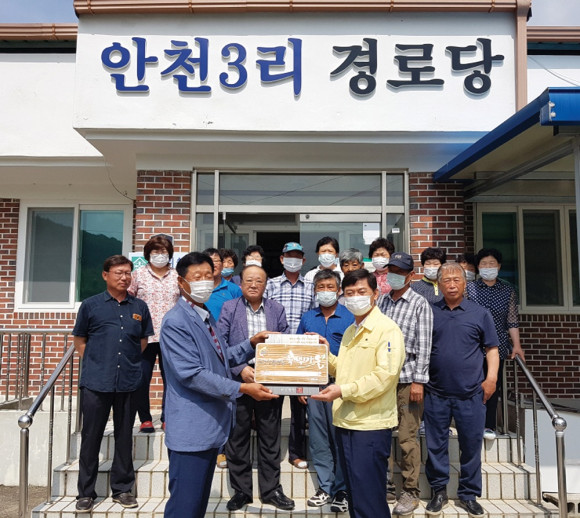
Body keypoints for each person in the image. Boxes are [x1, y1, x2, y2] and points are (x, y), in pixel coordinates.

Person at [160, 252, 278, 518]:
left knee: (197, 504)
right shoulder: (176, 321)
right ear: (181, 282)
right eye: (197, 277)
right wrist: (242, 389)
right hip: (191, 430)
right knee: (185, 506)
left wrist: (251, 343)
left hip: (210, 427)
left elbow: (222, 357)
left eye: (207, 275)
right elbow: (192, 374)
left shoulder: (204, 315)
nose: (204, 281)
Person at [311, 269, 405, 518]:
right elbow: (343, 369)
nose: (355, 298)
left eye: (361, 292)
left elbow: (384, 377)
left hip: (370, 426)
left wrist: (343, 390)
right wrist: (324, 352)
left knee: (369, 497)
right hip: (346, 421)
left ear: (375, 294)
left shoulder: (386, 330)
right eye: (349, 293)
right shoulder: (351, 330)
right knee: (355, 494)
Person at [73, 255, 154, 513]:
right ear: (105, 275)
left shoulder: (139, 307)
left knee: (124, 436)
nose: (124, 277)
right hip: (96, 382)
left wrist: (127, 363)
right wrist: (97, 362)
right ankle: (86, 493)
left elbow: (143, 341)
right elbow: (80, 340)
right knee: (91, 437)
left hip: (128, 381)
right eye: (119, 272)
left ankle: (122, 489)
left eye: (128, 273)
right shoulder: (91, 305)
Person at [424, 263, 499, 518]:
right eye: (447, 280)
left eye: (457, 279)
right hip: (435, 392)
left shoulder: (480, 313)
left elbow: (492, 349)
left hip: (471, 392)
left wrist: (491, 379)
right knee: (436, 445)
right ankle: (439, 492)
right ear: (439, 284)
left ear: (465, 283)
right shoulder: (430, 311)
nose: (452, 284)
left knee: (471, 445)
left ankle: (468, 494)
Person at [217, 264, 294, 511]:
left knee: (270, 437)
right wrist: (240, 369)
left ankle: (271, 491)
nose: (253, 285)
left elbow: (285, 345)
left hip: (269, 381)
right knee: (237, 437)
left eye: (258, 281)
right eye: (248, 280)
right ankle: (241, 491)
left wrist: (270, 372)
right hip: (239, 380)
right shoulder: (229, 308)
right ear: (240, 284)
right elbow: (220, 347)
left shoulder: (277, 309)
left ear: (265, 285)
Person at [378, 252, 433, 516]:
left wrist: (419, 381)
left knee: (407, 437)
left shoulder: (420, 304)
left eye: (400, 272)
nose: (394, 276)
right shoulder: (382, 301)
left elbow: (424, 345)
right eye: (392, 271)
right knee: (381, 433)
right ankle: (386, 485)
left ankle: (411, 491)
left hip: (408, 378)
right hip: (383, 380)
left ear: (411, 275)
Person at [298, 270, 354, 513]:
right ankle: (325, 486)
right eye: (320, 287)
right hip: (313, 385)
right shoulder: (307, 317)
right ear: (314, 291)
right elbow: (298, 353)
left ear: (339, 290)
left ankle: (342, 489)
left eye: (330, 287)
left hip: (340, 385)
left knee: (339, 436)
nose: (325, 291)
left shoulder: (350, 317)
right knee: (319, 438)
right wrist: (300, 385)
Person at [265, 242, 314, 469]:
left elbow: (314, 315)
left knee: (299, 407)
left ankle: (296, 453)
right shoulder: (271, 285)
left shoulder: (311, 286)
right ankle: (271, 453)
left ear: (303, 261)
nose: (293, 260)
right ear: (282, 259)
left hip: (302, 354)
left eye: (297, 256)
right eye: (289, 256)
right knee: (272, 407)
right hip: (276, 352)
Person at [466, 248, 525, 441]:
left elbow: (512, 321)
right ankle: (470, 424)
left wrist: (517, 345)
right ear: (478, 267)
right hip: (472, 346)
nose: (488, 267)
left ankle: (488, 425)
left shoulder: (508, 291)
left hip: (497, 347)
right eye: (483, 264)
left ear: (499, 266)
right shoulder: (469, 288)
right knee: (471, 386)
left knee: (492, 385)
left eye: (492, 263)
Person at [129, 235, 180, 433]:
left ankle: (168, 417)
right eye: (156, 251)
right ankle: (145, 419)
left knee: (171, 379)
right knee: (142, 378)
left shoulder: (177, 276)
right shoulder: (138, 275)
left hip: (171, 336)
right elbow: (128, 300)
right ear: (148, 254)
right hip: (144, 336)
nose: (160, 255)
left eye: (164, 251)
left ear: (170, 254)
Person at [202, 247, 242, 321]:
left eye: (216, 261)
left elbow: (241, 317)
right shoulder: (196, 288)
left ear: (221, 265)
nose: (213, 264)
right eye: (209, 261)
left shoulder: (235, 289)